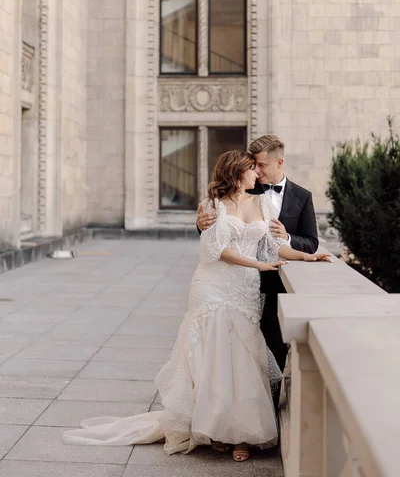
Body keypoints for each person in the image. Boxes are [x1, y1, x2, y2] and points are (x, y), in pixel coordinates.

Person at [64, 151, 330, 462]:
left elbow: (274, 245)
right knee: (214, 356)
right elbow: (216, 250)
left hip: (244, 291)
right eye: (250, 169)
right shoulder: (211, 206)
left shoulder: (263, 204)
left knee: (243, 358)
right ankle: (217, 429)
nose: (257, 174)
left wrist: (307, 256)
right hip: (214, 288)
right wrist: (258, 264)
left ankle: (241, 433)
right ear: (236, 173)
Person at [197, 136, 319, 391]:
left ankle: (266, 414)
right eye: (252, 166)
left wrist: (292, 242)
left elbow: (309, 242)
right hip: (231, 282)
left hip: (271, 288)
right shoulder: (245, 189)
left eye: (261, 165)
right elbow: (217, 231)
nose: (257, 171)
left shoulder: (303, 197)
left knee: (269, 353)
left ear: (279, 162)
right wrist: (200, 224)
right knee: (224, 348)